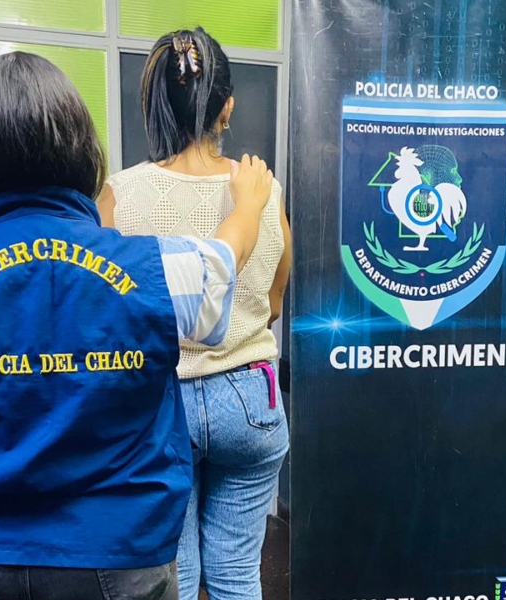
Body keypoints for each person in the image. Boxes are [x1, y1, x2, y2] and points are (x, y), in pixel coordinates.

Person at [0, 51, 274, 600]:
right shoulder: (156, 271)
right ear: (84, 154)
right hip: (117, 557)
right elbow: (224, 261)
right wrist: (249, 204)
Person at [98, 28, 291, 600]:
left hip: (159, 402)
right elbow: (274, 302)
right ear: (226, 106)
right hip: (250, 401)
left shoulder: (118, 195)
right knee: (236, 574)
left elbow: (110, 313)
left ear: (153, 102)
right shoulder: (264, 191)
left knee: (174, 577)